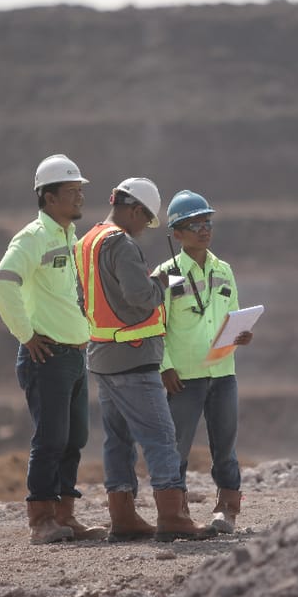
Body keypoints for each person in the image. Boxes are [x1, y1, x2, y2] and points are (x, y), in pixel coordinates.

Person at [75, 177, 213, 542]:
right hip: (134, 358)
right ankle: (173, 516)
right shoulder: (121, 243)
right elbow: (139, 296)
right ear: (134, 210)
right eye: (146, 219)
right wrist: (164, 283)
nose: (145, 228)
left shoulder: (87, 241)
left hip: (102, 355)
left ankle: (123, 517)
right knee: (160, 435)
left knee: (117, 439)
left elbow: (86, 297)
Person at [0, 154, 107, 545]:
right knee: (51, 438)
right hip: (47, 355)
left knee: (75, 437)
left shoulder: (68, 237)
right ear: (49, 197)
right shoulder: (32, 238)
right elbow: (3, 281)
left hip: (74, 354)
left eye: (80, 191)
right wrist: (26, 334)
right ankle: (41, 518)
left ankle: (65, 515)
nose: (79, 198)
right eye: (72, 192)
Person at [154, 191, 252, 533]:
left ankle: (227, 509)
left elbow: (234, 314)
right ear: (177, 233)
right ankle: (175, 513)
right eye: (195, 224)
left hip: (223, 373)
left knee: (224, 447)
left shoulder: (224, 270)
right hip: (183, 377)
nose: (204, 229)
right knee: (176, 447)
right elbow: (155, 326)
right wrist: (164, 366)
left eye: (207, 222)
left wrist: (242, 334)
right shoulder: (166, 274)